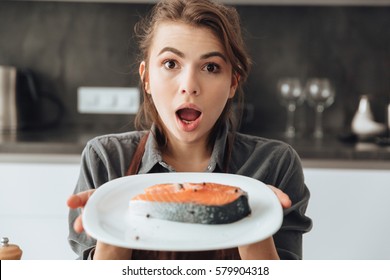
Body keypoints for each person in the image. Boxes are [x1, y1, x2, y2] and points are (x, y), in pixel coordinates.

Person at [67, 0, 312, 260]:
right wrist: (113, 225)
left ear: (232, 82)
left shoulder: (275, 165)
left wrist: (255, 221)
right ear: (147, 77)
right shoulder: (105, 161)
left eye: (210, 67)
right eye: (171, 64)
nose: (189, 86)